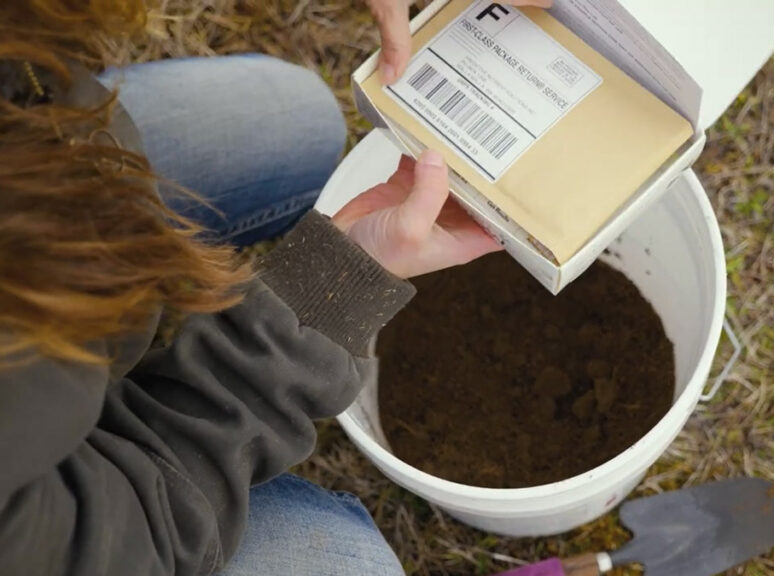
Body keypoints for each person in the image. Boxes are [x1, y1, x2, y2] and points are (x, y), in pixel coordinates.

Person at [0, 0, 549, 575]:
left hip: (55, 149)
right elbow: (130, 531)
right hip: (74, 534)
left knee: (294, 118)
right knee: (347, 562)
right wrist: (331, 287)